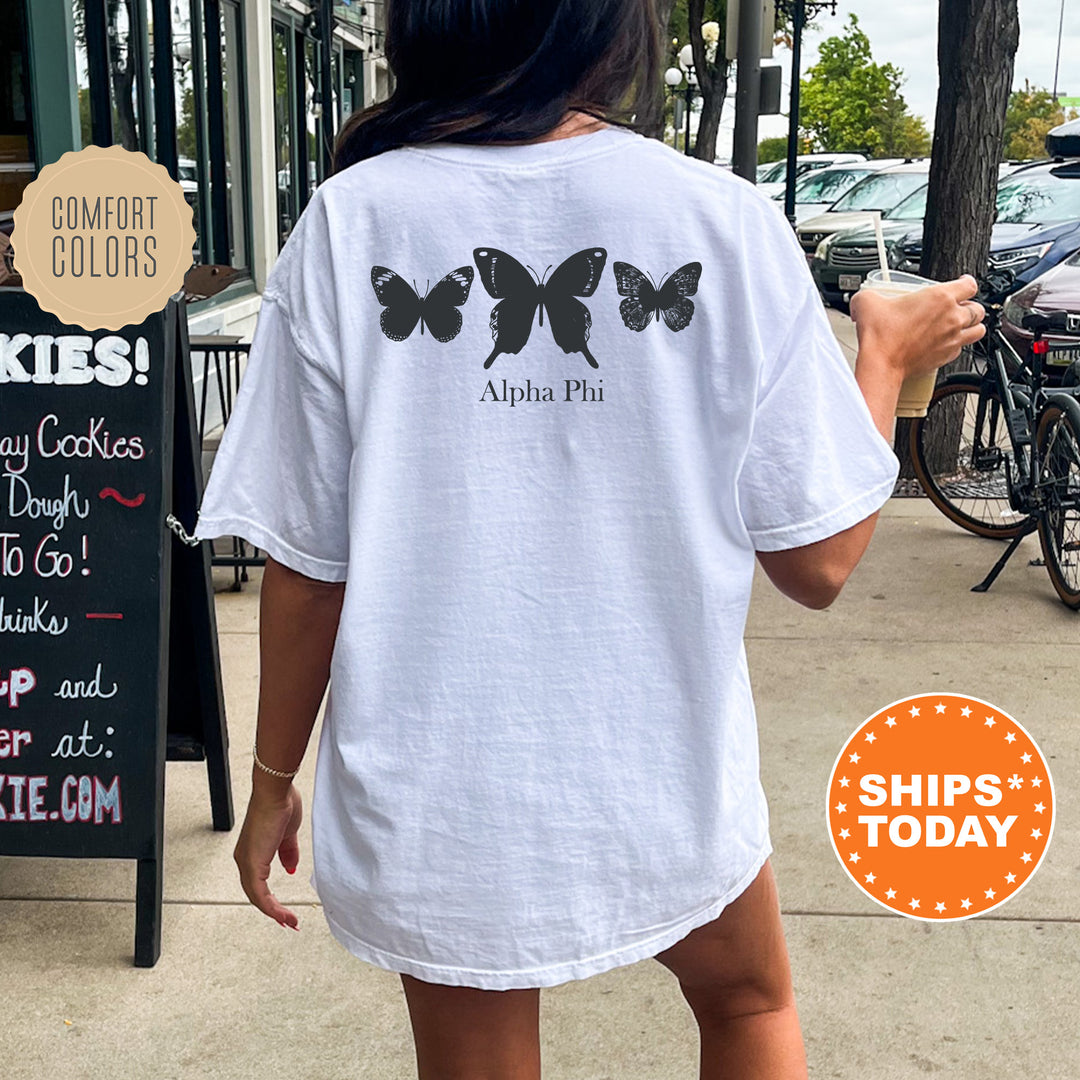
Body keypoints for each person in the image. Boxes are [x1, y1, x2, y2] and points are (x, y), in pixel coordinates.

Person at [194, 2, 986, 1077]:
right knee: (749, 1005)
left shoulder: (349, 222)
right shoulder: (720, 220)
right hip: (656, 767)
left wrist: (273, 775)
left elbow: (308, 567)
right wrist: (884, 362)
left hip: (443, 785)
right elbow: (820, 561)